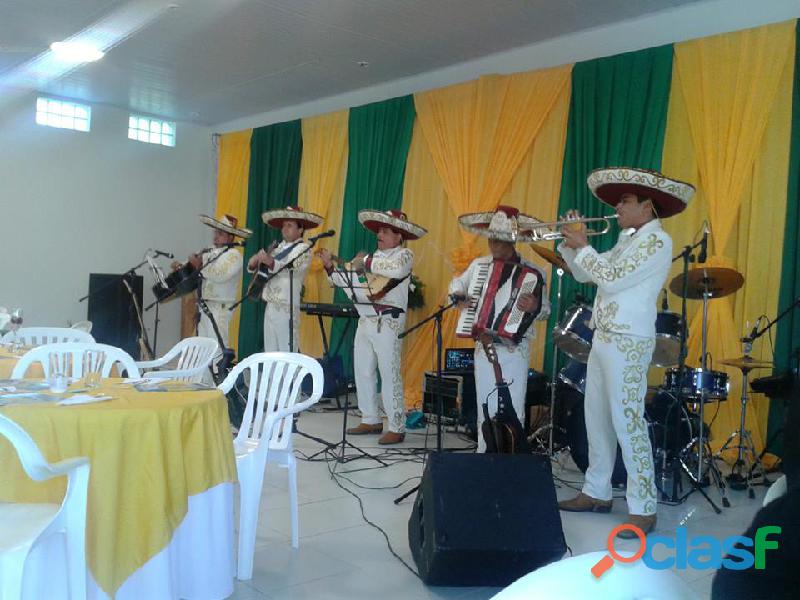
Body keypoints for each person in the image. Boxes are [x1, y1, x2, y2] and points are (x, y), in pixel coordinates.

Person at [556, 167, 695, 537]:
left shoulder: (657, 242)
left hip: (629, 341)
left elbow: (612, 279)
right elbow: (588, 274)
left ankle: (644, 506)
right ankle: (596, 491)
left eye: (625, 200)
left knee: (628, 420)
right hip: (603, 337)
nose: (617, 206)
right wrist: (570, 246)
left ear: (648, 207)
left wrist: (583, 245)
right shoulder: (626, 239)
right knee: (596, 417)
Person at [318, 209, 427, 445]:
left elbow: (395, 270)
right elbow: (345, 279)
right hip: (366, 318)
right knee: (363, 370)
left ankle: (397, 425)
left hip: (388, 321)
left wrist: (364, 261)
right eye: (379, 230)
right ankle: (370, 418)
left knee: (389, 373)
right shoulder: (374, 258)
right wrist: (330, 267)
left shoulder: (404, 255)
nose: (380, 234)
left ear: (399, 236)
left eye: (386, 231)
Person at [449, 205, 550, 453]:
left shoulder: (533, 273)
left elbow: (546, 310)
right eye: (492, 237)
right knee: (485, 407)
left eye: (500, 238)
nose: (494, 243)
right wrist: (458, 296)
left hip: (515, 349)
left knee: (513, 409)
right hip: (484, 345)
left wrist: (535, 305)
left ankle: (511, 463)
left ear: (513, 240)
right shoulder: (479, 265)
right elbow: (456, 284)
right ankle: (485, 460)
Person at [247, 206, 323, 352]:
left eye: (290, 225)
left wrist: (270, 261)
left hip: (286, 309)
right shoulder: (277, 248)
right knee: (270, 354)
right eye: (283, 225)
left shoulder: (304, 249)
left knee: (287, 354)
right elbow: (253, 266)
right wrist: (256, 259)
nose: (284, 229)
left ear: (300, 230)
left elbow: (292, 267)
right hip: (270, 306)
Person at [188, 214, 251, 348]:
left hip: (220, 308)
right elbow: (198, 265)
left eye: (220, 234)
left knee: (216, 347)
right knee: (201, 349)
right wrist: (184, 265)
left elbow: (220, 275)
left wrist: (198, 265)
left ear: (230, 237)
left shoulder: (234, 255)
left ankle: (218, 369)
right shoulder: (211, 252)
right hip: (204, 306)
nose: (216, 237)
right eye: (216, 232)